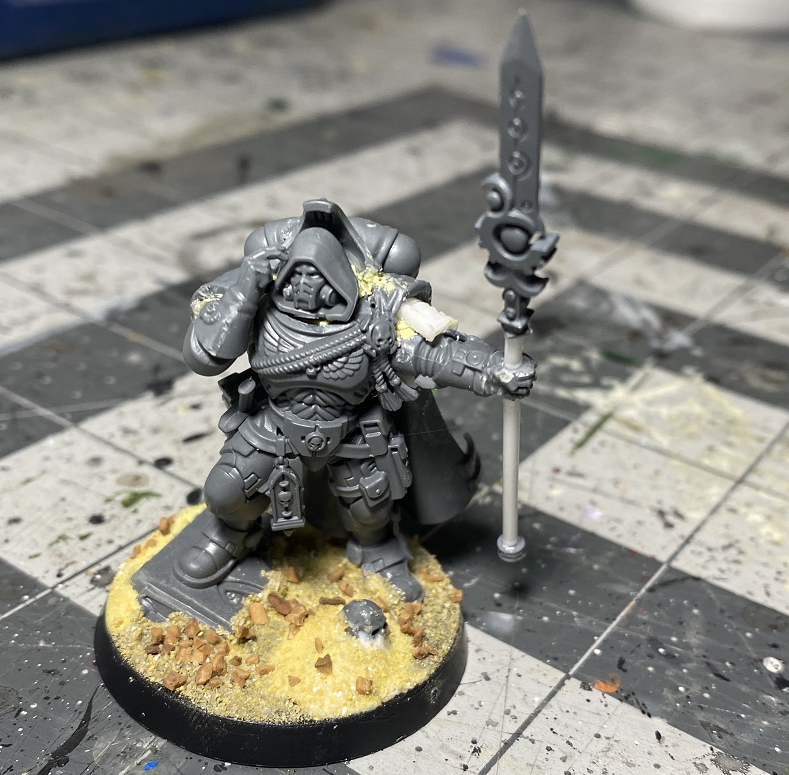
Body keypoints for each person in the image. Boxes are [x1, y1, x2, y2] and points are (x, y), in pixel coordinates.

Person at [177, 199, 535, 602]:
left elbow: (437, 353)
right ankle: (231, 535)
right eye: (297, 275)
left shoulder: (379, 316)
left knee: (371, 508)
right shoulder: (257, 306)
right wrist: (246, 290)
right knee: (226, 492)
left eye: (317, 276)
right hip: (275, 423)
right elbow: (205, 357)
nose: (305, 287)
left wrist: (494, 371)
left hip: (354, 429)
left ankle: (377, 551)